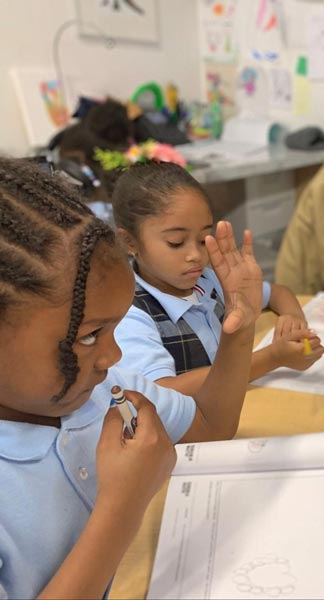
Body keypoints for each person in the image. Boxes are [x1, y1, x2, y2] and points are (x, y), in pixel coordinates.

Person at [0, 157, 266, 597]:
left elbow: (210, 426)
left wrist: (239, 332)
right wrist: (123, 506)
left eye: (113, 328)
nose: (113, 354)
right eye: (87, 337)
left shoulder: (102, 391)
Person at [111, 161, 324, 396]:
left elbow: (278, 292)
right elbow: (162, 392)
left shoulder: (208, 281)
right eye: (176, 243)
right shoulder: (129, 314)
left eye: (204, 239)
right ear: (129, 242)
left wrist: (292, 317)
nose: (196, 255)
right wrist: (273, 357)